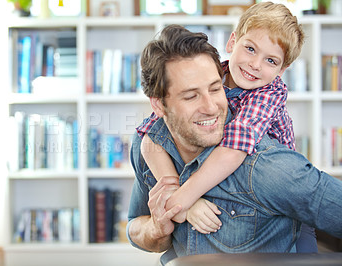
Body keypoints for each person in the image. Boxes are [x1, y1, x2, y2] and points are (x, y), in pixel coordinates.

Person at [127, 24, 342, 266]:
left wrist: (177, 201)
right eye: (191, 96)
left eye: (215, 88)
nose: (210, 106)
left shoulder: (266, 166)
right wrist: (157, 228)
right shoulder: (150, 142)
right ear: (159, 105)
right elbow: (136, 224)